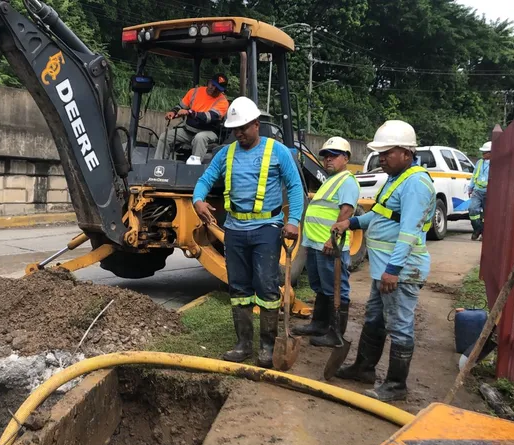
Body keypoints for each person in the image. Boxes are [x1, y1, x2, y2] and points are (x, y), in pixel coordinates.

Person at [193, 96, 305, 368]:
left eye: (243, 127)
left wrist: (293, 222)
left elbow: (295, 186)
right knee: (239, 288)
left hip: (267, 228)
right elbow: (205, 180)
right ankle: (243, 344)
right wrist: (198, 200)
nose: (239, 133)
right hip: (234, 229)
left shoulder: (277, 151)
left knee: (266, 286)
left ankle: (267, 346)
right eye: (235, 129)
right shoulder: (226, 153)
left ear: (256, 124)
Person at [330, 120, 435, 402]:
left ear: (406, 152)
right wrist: (351, 222)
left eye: (387, 152)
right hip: (384, 269)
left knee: (399, 325)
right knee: (375, 318)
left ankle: (396, 385)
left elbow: (410, 232)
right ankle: (364, 368)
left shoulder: (416, 184)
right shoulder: (396, 179)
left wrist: (392, 271)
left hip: (399, 270)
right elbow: (380, 215)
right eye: (381, 153)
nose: (382, 158)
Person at [292, 137, 360, 347]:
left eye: (334, 155)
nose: (328, 159)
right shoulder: (330, 180)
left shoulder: (347, 180)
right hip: (315, 243)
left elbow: (346, 211)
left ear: (346, 158)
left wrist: (334, 240)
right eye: (326, 156)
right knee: (320, 286)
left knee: (336, 288)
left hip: (330, 245)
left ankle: (335, 333)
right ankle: (319, 324)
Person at [154, 74, 230, 161]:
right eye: (213, 85)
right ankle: (158, 167)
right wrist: (173, 112)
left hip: (208, 132)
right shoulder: (195, 92)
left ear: (222, 90)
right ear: (208, 82)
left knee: (199, 138)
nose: (214, 89)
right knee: (165, 137)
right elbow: (181, 106)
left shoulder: (223, 101)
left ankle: (194, 168)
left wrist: (190, 112)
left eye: (218, 88)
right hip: (188, 130)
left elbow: (208, 117)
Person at [468, 141, 491, 241]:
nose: (483, 154)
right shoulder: (479, 162)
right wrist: (470, 187)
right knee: (472, 210)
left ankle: (484, 233)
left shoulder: (496, 163)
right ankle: (478, 229)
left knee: (487, 214)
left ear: (491, 153)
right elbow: (474, 176)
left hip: (489, 192)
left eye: (485, 152)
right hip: (477, 191)